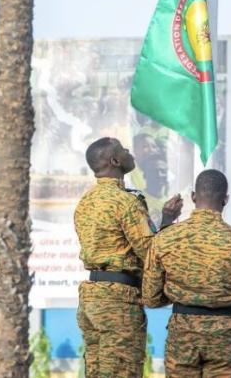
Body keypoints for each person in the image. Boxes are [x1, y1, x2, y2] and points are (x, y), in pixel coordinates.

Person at [74, 137, 184, 377]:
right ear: (114, 161)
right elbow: (150, 253)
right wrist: (167, 221)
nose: (129, 152)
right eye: (123, 150)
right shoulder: (125, 203)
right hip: (118, 301)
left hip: (92, 298)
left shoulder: (85, 202)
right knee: (123, 371)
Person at [142, 169, 231, 377]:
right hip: (225, 336)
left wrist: (183, 298)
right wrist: (225, 305)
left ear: (193, 197)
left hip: (182, 333)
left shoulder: (165, 239)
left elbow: (150, 297)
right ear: (225, 199)